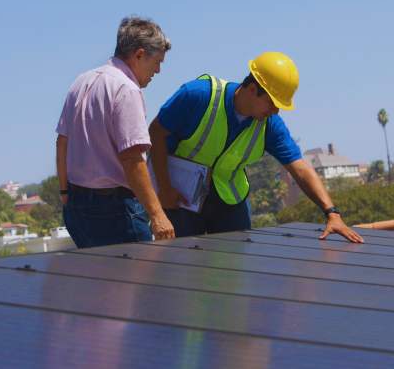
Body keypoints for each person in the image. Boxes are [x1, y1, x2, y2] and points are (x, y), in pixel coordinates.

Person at [149, 51, 364, 243]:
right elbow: (156, 132)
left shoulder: (270, 124)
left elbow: (299, 168)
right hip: (181, 197)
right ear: (252, 89)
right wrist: (165, 189)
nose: (275, 111)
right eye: (272, 103)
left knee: (231, 271)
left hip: (229, 200)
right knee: (180, 266)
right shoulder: (198, 96)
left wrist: (332, 213)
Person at [56, 16, 175, 248]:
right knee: (137, 282)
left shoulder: (81, 82)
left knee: (98, 282)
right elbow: (132, 159)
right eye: (157, 62)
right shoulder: (126, 89)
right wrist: (157, 215)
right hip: (116, 212)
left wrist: (65, 194)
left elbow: (62, 143)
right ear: (139, 54)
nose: (158, 70)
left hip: (78, 207)